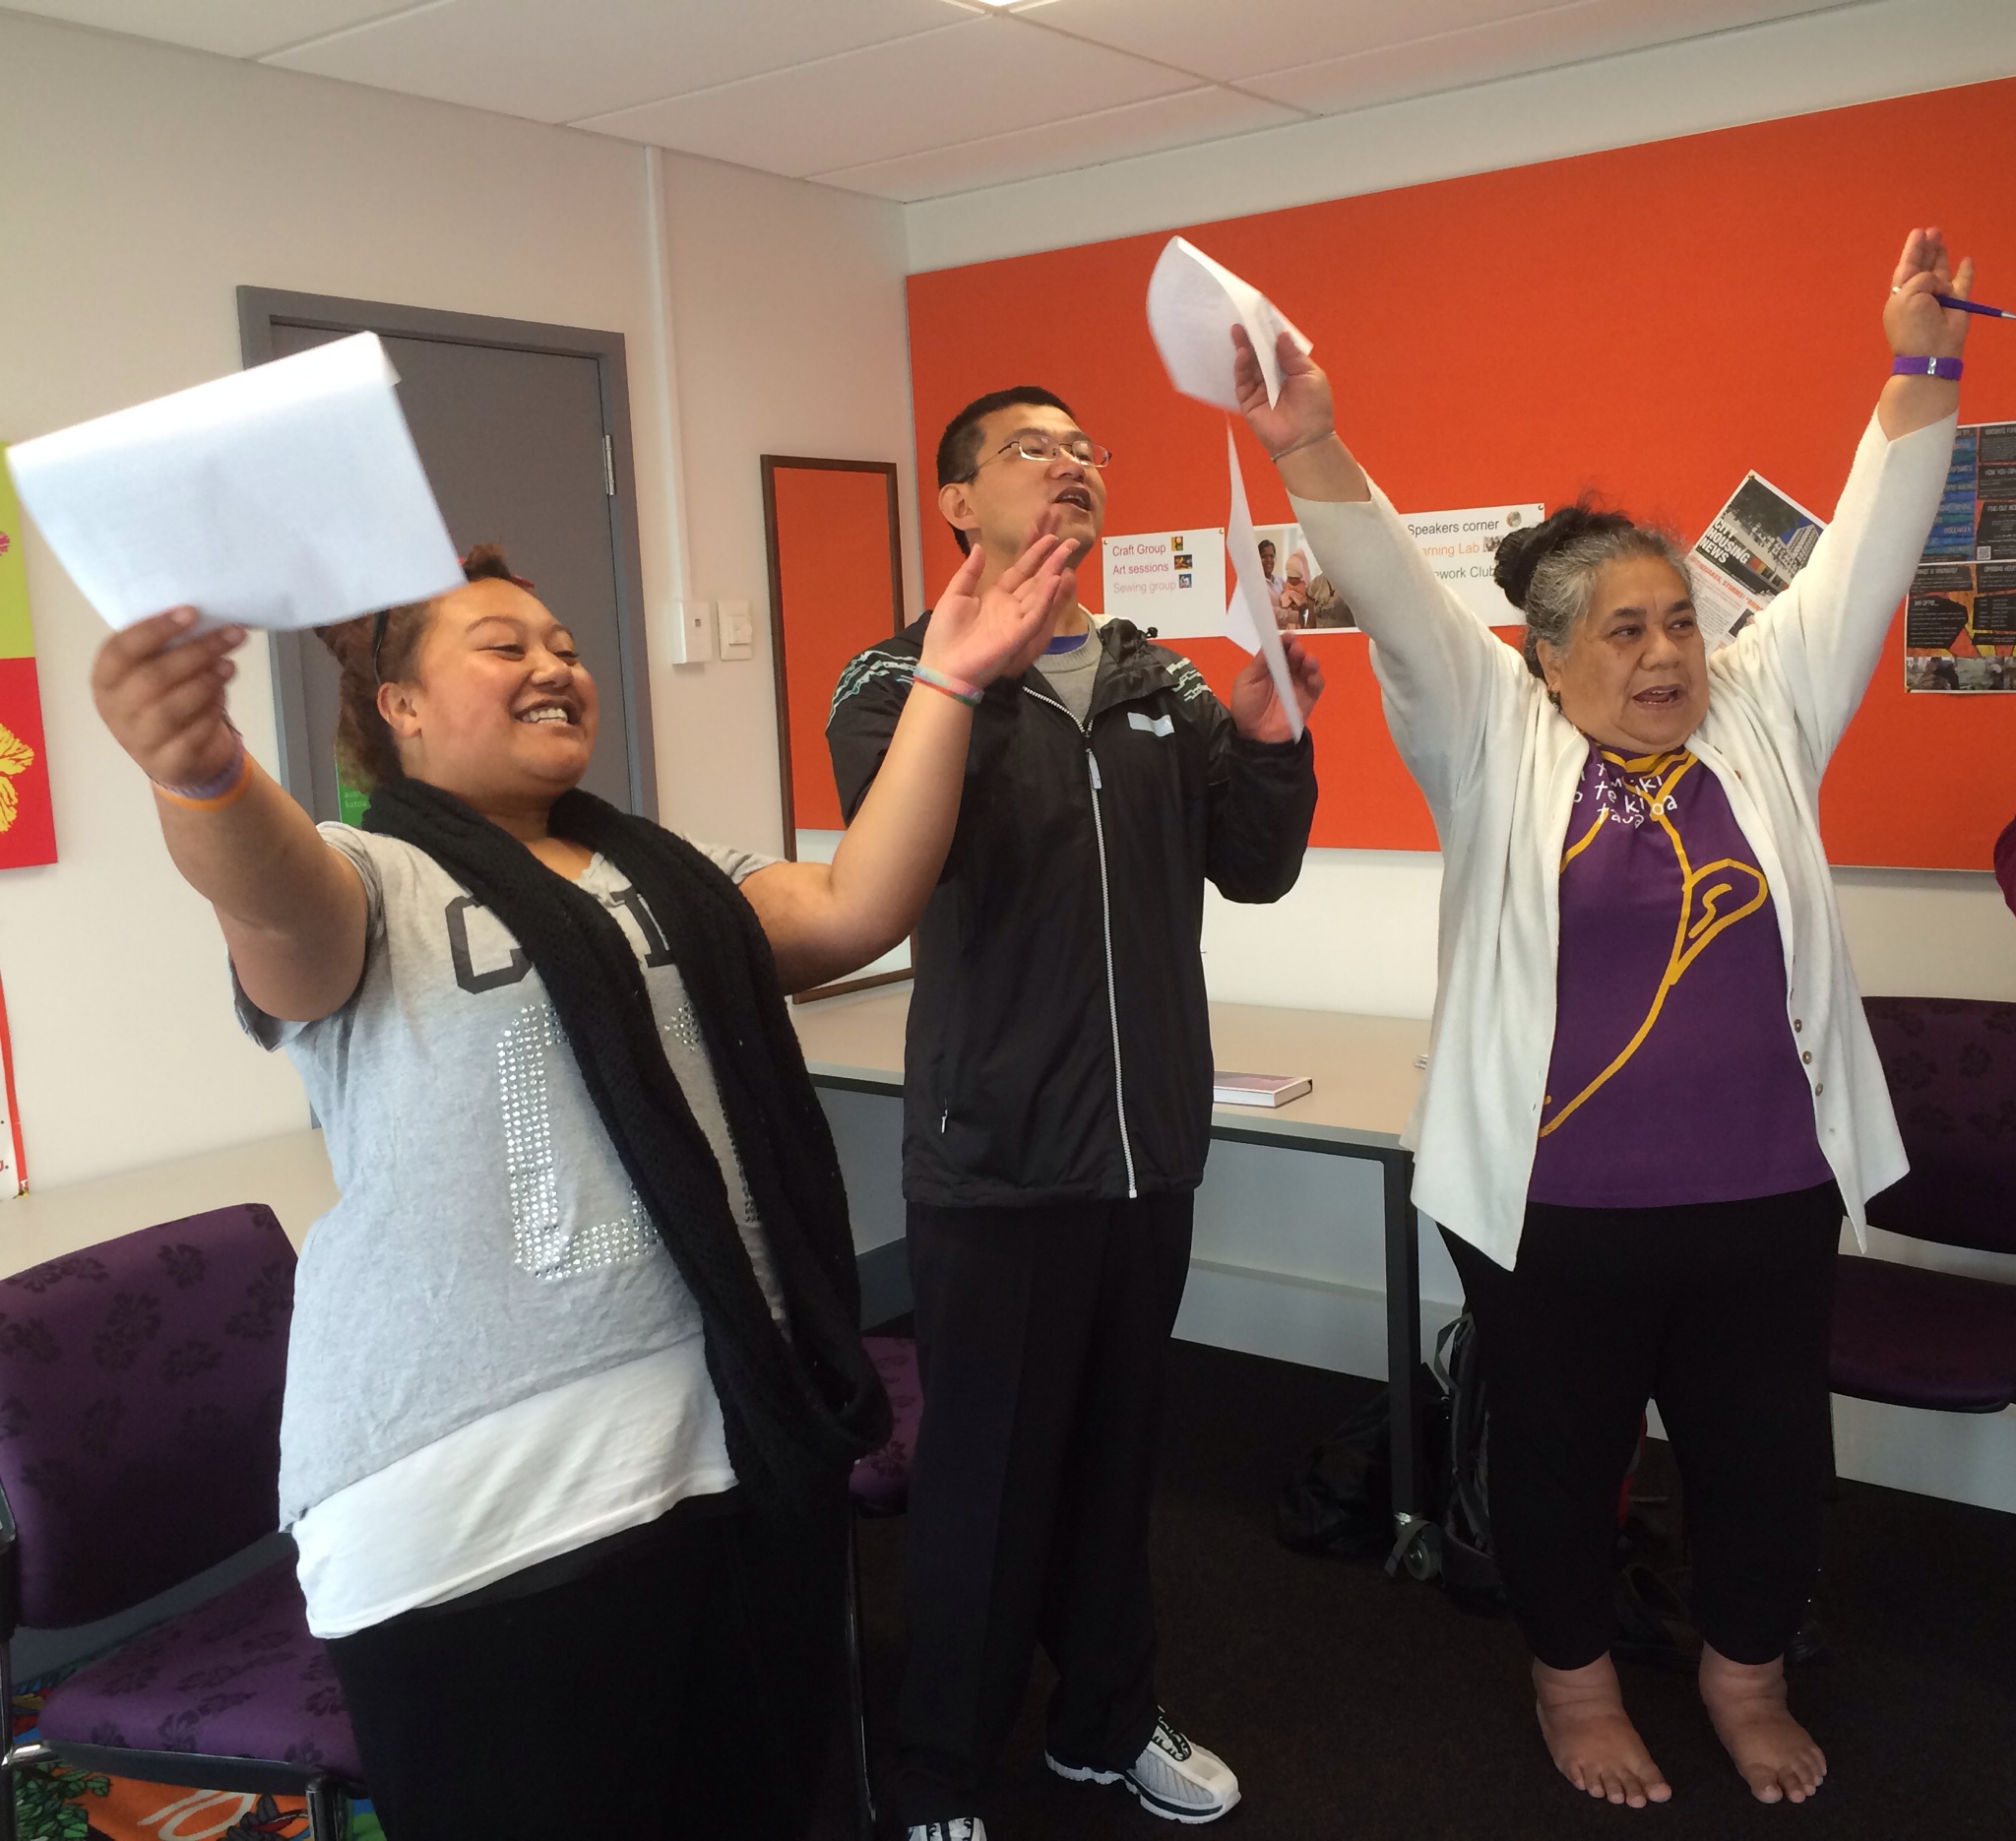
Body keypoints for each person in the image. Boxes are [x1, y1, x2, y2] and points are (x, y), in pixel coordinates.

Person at [88, 532, 1077, 1839]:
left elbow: (852, 904)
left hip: (720, 1452)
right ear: (399, 706)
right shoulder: (369, 875)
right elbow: (272, 905)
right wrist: (203, 770)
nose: (553, 664)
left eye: (561, 644)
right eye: (503, 646)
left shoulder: (670, 877)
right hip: (478, 1523)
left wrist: (947, 679)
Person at [1232, 227, 1970, 1811]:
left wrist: (1920, 364)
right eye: (1624, 630)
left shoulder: (1764, 710)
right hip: (1549, 1207)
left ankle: (1743, 1674)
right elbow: (1399, 603)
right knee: (1563, 1460)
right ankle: (1573, 1686)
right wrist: (1307, 444)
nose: (1666, 651)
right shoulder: (1492, 736)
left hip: (1767, 1193)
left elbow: (1865, 556)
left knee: (1768, 1459)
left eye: (1680, 620)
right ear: (1548, 656)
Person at [827, 387, 1323, 1839]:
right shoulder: (895, 683)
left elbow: (1255, 869)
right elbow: (897, 873)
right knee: (985, 1483)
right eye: (1029, 448)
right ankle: (939, 1767)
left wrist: (1269, 741)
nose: (1070, 465)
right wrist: (969, 679)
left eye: (1083, 448)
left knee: (1116, 1463)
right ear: (957, 503)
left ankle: (1106, 1719)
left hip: (1146, 1151)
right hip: (996, 1161)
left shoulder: (1159, 679)